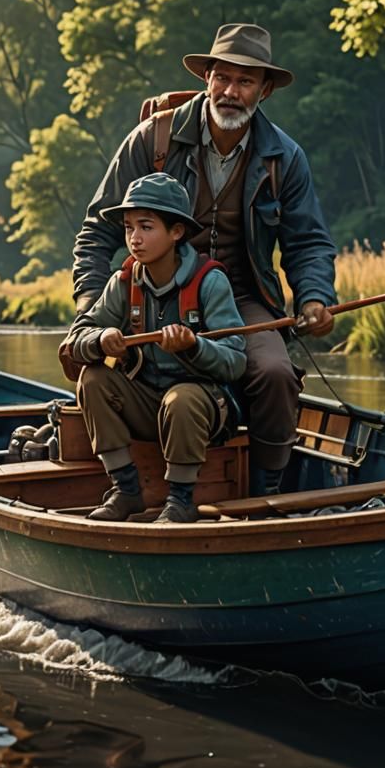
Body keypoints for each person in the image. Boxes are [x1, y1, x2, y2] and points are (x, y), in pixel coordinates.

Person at [72, 23, 337, 496]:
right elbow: (97, 232)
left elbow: (308, 242)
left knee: (275, 373)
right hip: (157, 291)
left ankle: (265, 492)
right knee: (97, 374)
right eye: (223, 78)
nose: (231, 91)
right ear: (207, 78)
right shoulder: (152, 141)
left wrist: (315, 297)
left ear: (265, 90)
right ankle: (132, 483)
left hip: (243, 298)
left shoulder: (284, 158)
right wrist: (89, 311)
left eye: (245, 81)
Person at [63, 173, 247, 524]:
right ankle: (126, 490)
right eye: (129, 227)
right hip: (148, 404)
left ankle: (180, 500)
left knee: (183, 398)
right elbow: (76, 338)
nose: (134, 238)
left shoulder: (210, 282)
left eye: (146, 227)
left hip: (203, 410)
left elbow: (236, 362)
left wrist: (194, 347)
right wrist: (99, 341)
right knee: (94, 378)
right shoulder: (124, 281)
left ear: (176, 232)